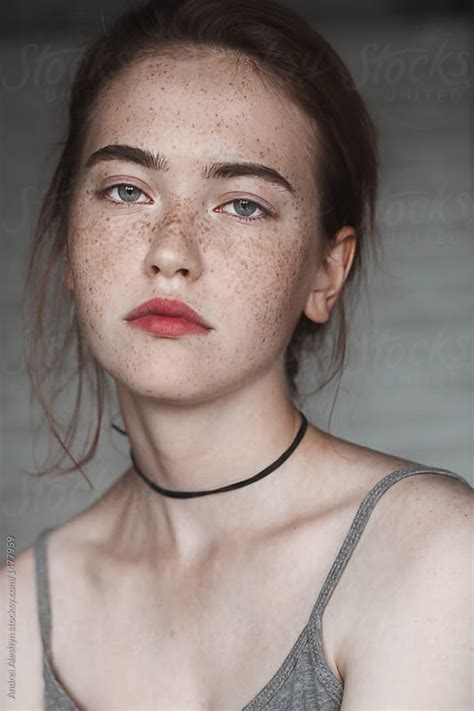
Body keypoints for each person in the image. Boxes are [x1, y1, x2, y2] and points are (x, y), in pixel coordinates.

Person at [1, 0, 472, 709]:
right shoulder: (16, 618)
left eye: (243, 204)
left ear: (326, 272)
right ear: (70, 238)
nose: (170, 251)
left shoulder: (433, 553)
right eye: (127, 190)